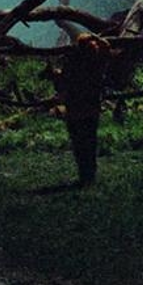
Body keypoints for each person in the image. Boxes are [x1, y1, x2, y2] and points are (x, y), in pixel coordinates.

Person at [58, 34, 114, 187]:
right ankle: (90, 175)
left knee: (79, 144)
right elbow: (106, 45)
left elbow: (64, 83)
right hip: (90, 109)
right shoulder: (97, 63)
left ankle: (84, 175)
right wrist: (95, 36)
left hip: (75, 109)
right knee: (90, 143)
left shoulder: (73, 63)